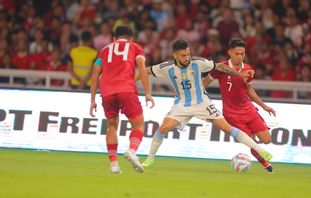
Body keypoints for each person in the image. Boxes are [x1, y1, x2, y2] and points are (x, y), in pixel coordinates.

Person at [136, 39, 272, 168]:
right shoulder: (166, 67)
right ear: (175, 55)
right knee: (163, 128)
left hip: (203, 103)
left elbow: (220, 67)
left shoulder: (198, 62)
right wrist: (130, 82)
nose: (186, 58)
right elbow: (145, 70)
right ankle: (150, 158)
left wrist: (238, 74)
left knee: (227, 128)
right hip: (182, 105)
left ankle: (260, 150)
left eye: (188, 54)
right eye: (183, 55)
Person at [203, 38, 276, 172]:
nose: (240, 56)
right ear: (230, 52)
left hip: (249, 110)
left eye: (242, 54)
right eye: (237, 53)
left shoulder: (248, 69)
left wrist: (265, 106)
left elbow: (250, 91)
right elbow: (205, 82)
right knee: (253, 144)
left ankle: (253, 131)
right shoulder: (222, 68)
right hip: (232, 114)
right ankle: (265, 164)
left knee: (267, 140)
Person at [89, 26, 155, 174]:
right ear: (131, 38)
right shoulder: (135, 47)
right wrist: (148, 93)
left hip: (106, 91)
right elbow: (142, 69)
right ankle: (132, 151)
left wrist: (92, 100)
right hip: (126, 88)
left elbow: (95, 74)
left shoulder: (104, 50)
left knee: (111, 126)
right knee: (138, 123)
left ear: (114, 38)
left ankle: (113, 164)